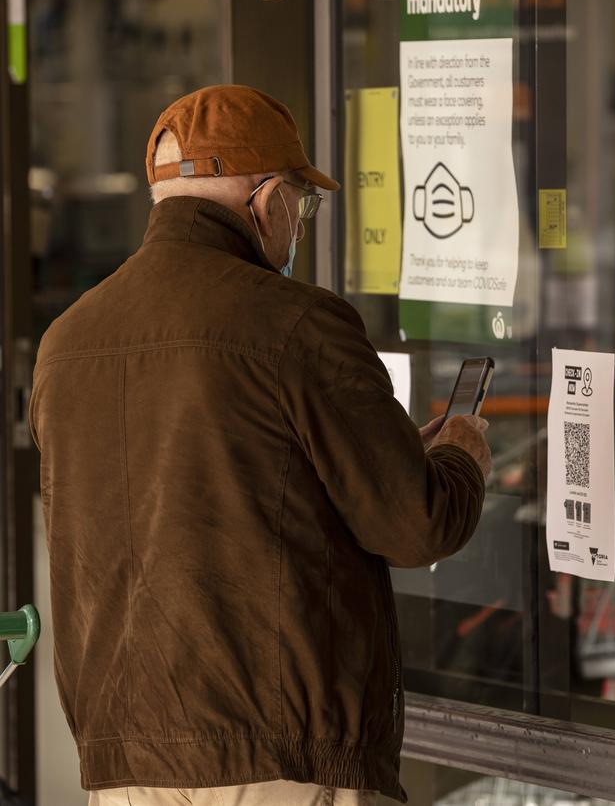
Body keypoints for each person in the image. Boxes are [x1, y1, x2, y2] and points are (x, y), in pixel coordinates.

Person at [28, 85, 491, 806]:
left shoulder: (64, 344)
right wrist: (461, 451)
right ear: (270, 201)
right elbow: (418, 521)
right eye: (301, 206)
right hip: (276, 766)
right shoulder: (300, 324)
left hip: (123, 768)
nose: (297, 224)